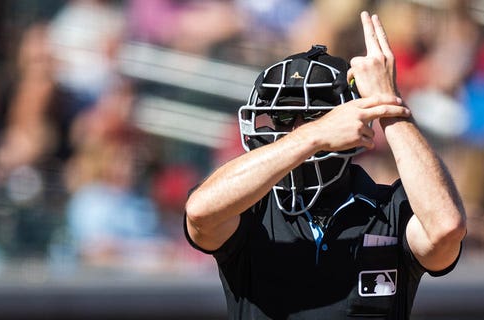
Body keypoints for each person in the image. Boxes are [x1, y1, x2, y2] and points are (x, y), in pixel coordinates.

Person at [184, 11, 466, 319]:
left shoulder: (389, 210)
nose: (293, 128)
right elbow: (200, 213)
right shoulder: (251, 209)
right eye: (282, 117)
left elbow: (445, 230)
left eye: (315, 115)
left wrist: (388, 106)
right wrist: (314, 135)